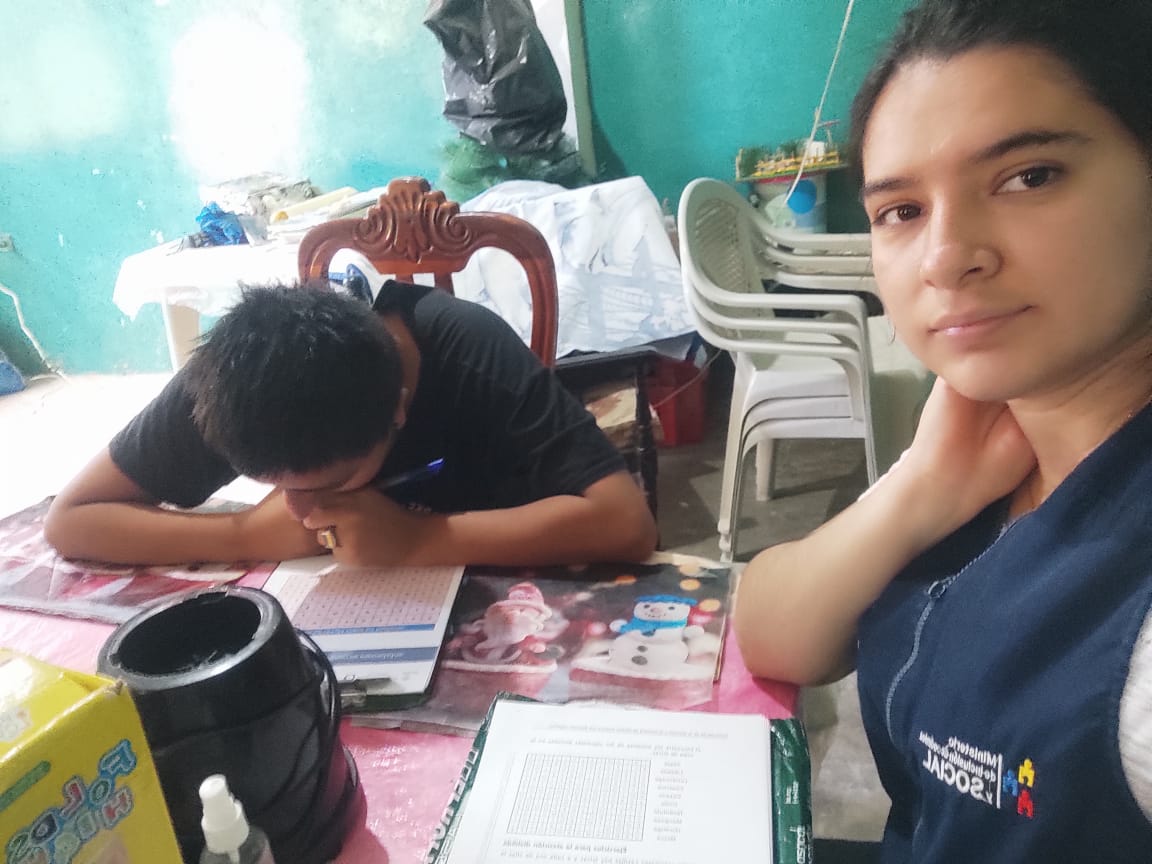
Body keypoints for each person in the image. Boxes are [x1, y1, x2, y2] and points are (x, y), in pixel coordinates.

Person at [733, 0, 1152, 859]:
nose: (947, 256)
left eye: (1029, 175)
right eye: (901, 210)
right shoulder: (991, 437)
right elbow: (771, 632)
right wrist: (923, 488)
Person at [44, 280, 657, 568]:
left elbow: (626, 523)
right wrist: (240, 536)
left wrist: (418, 541)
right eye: (276, 486)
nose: (298, 509)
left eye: (330, 484)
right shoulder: (233, 375)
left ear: (398, 408)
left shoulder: (467, 345)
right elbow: (72, 519)